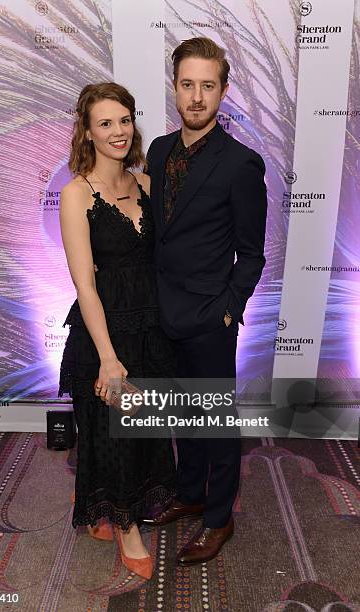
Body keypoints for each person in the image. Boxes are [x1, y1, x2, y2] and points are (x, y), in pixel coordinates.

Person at [143, 37, 268, 565]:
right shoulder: (158, 150)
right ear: (175, 87)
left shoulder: (241, 163)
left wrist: (228, 308)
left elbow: (253, 253)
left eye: (208, 86)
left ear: (223, 91)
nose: (197, 97)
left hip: (209, 318)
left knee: (216, 425)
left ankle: (219, 518)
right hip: (162, 310)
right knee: (181, 415)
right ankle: (191, 493)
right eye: (188, 84)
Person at [58, 82, 177, 580]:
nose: (118, 131)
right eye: (105, 123)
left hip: (150, 326)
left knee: (144, 429)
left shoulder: (147, 183)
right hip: (104, 332)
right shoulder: (75, 193)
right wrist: (107, 357)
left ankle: (102, 502)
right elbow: (85, 285)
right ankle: (126, 527)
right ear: (87, 131)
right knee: (111, 433)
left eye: (124, 120)